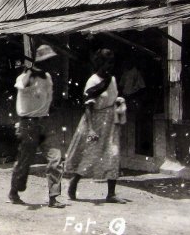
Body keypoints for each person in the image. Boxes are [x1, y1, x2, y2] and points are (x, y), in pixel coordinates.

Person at [64, 49, 127, 204]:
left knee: (113, 155)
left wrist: (118, 104)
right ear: (99, 63)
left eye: (111, 63)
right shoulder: (92, 81)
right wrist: (91, 129)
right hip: (95, 122)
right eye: (107, 63)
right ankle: (74, 182)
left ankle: (111, 194)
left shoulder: (112, 79)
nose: (109, 66)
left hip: (111, 123)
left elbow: (112, 98)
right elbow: (88, 108)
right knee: (90, 155)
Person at [8, 45, 65, 208]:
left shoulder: (47, 77)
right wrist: (31, 72)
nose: (52, 64)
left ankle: (54, 197)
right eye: (49, 61)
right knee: (24, 161)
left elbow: (49, 98)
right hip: (28, 123)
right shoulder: (25, 77)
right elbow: (22, 85)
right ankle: (14, 191)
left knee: (55, 158)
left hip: (45, 122)